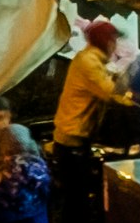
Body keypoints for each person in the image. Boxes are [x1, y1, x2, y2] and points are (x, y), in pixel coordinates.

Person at [52, 19, 135, 149]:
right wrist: (136, 102)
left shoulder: (92, 60)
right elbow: (110, 93)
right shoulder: (89, 62)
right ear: (107, 43)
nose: (114, 46)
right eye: (113, 41)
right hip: (71, 139)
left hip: (75, 136)